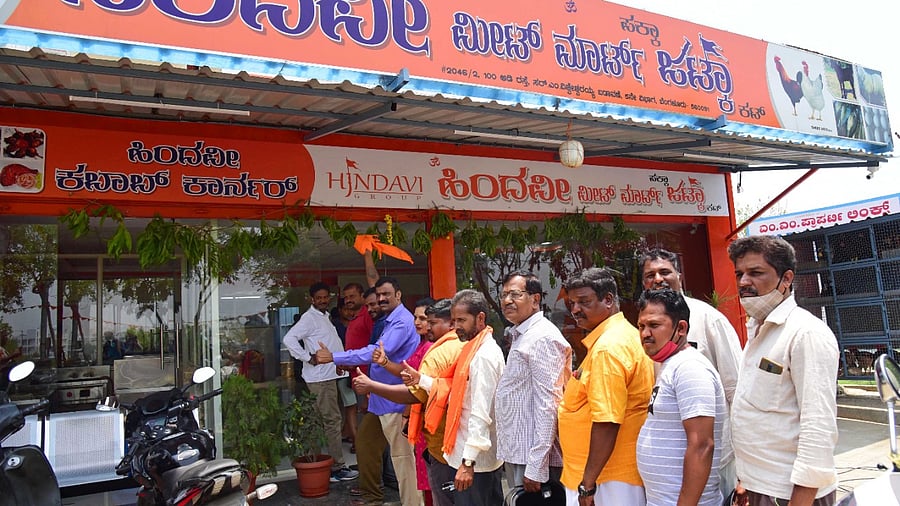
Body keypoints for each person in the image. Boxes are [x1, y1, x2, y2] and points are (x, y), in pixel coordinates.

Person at [727, 235, 839, 506]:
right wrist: (745, 478)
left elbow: (818, 427)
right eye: (739, 274)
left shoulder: (806, 333)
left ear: (786, 278)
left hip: (791, 494)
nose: (743, 282)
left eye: (755, 273)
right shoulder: (757, 332)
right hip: (758, 487)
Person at [639, 247, 741, 495]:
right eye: (650, 275)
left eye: (665, 272)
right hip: (669, 473)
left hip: (713, 457)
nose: (658, 279)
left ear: (679, 276)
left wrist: (746, 464)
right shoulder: (645, 325)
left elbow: (736, 389)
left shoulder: (708, 318)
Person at [315, 277, 421, 506]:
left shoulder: (402, 322)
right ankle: (373, 500)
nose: (381, 299)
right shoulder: (388, 321)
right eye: (379, 295)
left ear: (399, 295)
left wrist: (334, 356)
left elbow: (374, 354)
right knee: (365, 447)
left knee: (403, 462)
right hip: (379, 400)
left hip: (396, 402)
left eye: (386, 294)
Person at [351, 298, 464, 506]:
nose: (421, 324)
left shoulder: (439, 350)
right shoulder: (427, 345)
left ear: (451, 323)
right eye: (419, 318)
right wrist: (384, 363)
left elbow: (416, 392)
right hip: (426, 424)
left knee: (426, 478)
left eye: (428, 320)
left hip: (431, 424)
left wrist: (373, 387)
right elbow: (410, 375)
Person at [558, 267, 654, 506]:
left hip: (607, 479)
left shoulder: (608, 348)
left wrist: (587, 485)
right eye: (572, 303)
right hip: (611, 474)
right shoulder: (622, 336)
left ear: (608, 300)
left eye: (584, 301)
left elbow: (607, 421)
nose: (575, 310)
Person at [408, 289, 505, 506]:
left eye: (462, 320)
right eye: (453, 320)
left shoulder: (483, 356)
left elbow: (480, 413)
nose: (456, 326)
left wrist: (468, 462)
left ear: (480, 318)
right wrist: (421, 380)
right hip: (471, 458)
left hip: (475, 462)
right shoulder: (473, 349)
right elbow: (460, 396)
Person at [635, 289, 726, 506]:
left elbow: (702, 445)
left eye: (654, 325)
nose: (645, 333)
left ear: (681, 328)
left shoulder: (690, 368)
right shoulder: (671, 365)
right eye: (641, 326)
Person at [494, 270, 572, 494]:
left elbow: (549, 404)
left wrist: (537, 466)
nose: (507, 301)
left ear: (535, 299)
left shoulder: (542, 338)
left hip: (533, 457)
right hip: (521, 451)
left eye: (515, 295)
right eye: (504, 295)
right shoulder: (524, 334)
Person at [282, 282, 359, 483]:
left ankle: (321, 463)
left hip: (328, 375)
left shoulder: (324, 317)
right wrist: (308, 357)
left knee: (322, 422)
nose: (323, 300)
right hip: (320, 379)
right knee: (331, 421)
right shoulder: (309, 319)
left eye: (326, 297)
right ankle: (337, 468)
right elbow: (289, 340)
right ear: (311, 299)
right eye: (319, 298)